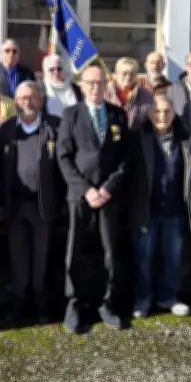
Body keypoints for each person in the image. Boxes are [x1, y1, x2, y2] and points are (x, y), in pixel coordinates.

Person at [57, 63, 129, 333]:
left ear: (106, 85)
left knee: (109, 252)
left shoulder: (117, 115)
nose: (95, 87)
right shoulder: (71, 114)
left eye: (100, 83)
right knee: (76, 251)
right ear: (82, 85)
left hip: (109, 197)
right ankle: (75, 304)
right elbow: (63, 157)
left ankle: (106, 303)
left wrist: (108, 188)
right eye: (90, 83)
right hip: (80, 196)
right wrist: (86, 189)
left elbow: (125, 160)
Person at [0, 82, 65, 323]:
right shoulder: (5, 130)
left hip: (43, 206)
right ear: (15, 101)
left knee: (42, 256)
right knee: (18, 257)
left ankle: (41, 303)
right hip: (15, 206)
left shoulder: (55, 127)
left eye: (32, 97)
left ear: (41, 100)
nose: (27, 102)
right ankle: (19, 303)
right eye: (22, 97)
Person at [128, 95, 191, 319]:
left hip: (174, 209)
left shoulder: (184, 138)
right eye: (157, 111)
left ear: (174, 113)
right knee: (144, 258)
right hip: (147, 210)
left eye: (166, 111)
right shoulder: (139, 137)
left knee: (172, 257)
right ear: (149, 114)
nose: (162, 116)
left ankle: (169, 297)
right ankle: (143, 299)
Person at [104, 57, 153, 130]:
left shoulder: (145, 95)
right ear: (116, 74)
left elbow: (149, 120)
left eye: (132, 74)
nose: (128, 77)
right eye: (124, 73)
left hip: (134, 137)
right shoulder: (105, 92)